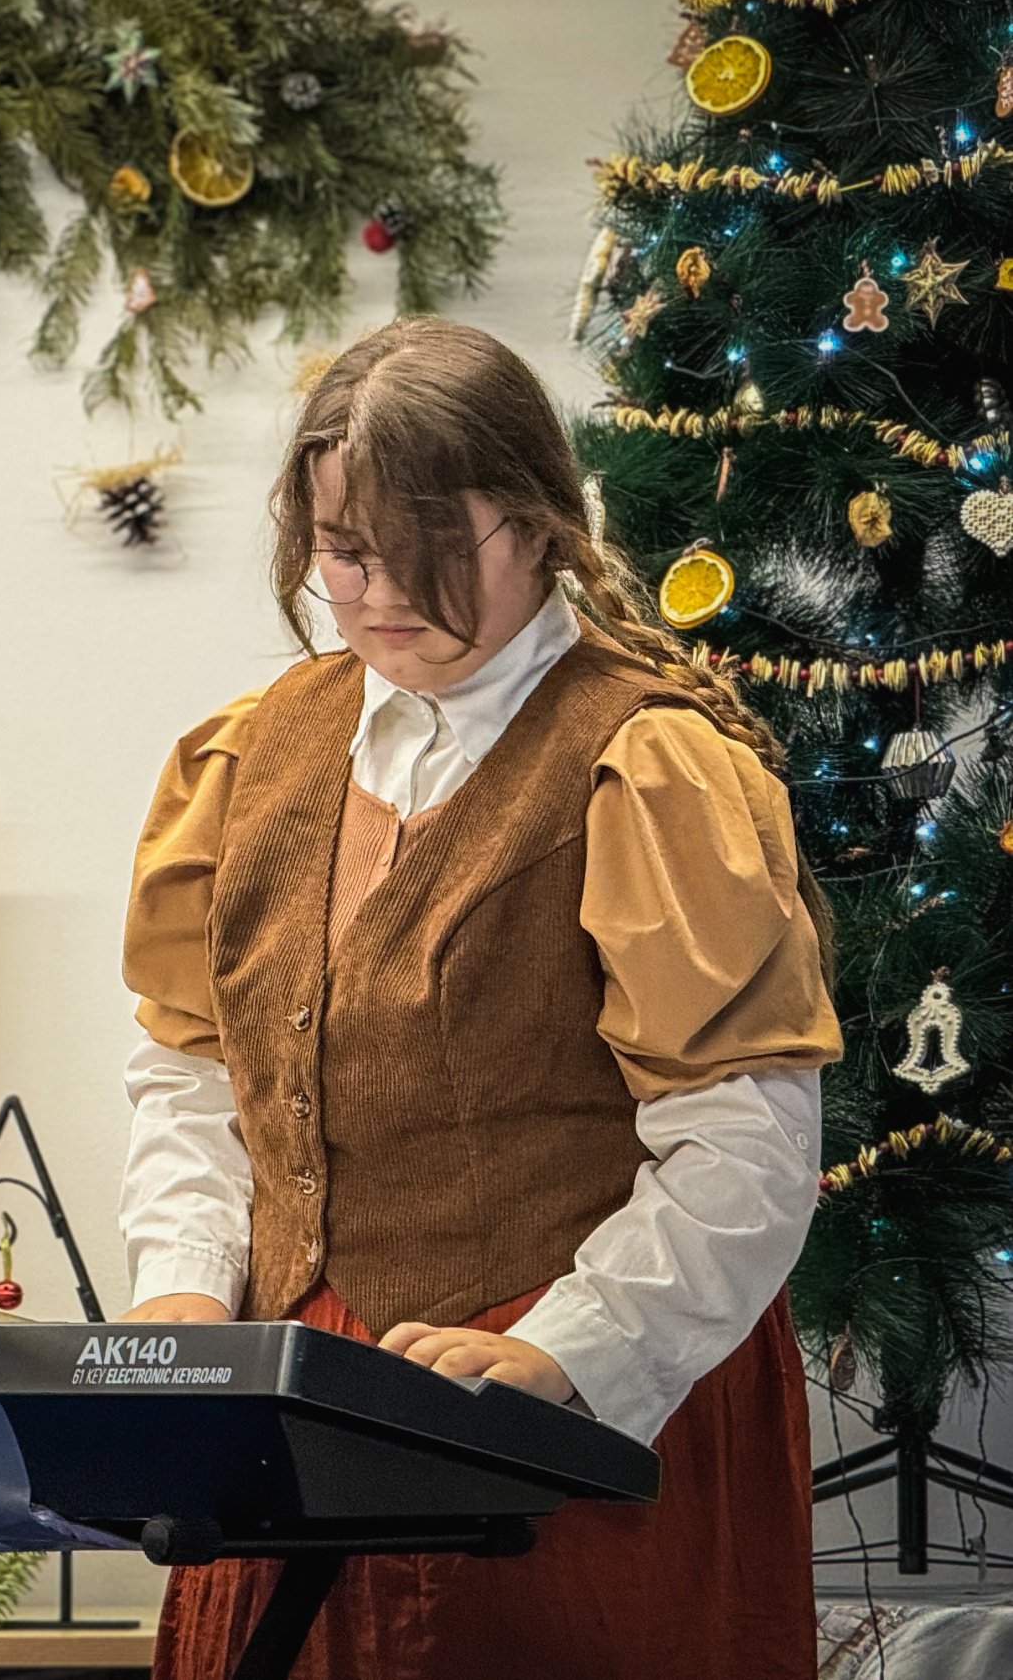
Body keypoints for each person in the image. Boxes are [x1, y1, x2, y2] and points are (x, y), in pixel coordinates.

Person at [118, 318, 838, 1680]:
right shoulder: (246, 758)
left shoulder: (649, 761)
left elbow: (746, 1146)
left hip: (582, 1408)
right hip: (296, 1398)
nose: (380, 589)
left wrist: (576, 1352)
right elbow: (195, 1075)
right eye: (343, 551)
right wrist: (186, 1295)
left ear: (538, 522)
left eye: (428, 549)